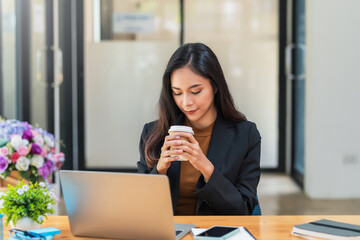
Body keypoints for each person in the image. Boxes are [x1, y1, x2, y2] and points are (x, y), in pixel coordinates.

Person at [137, 43, 261, 215]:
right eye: (177, 93)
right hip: (168, 232)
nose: (186, 102)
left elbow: (243, 209)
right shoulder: (153, 134)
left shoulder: (246, 135)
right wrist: (159, 171)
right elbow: (140, 208)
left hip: (216, 232)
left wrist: (206, 168)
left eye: (195, 91)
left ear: (215, 86)